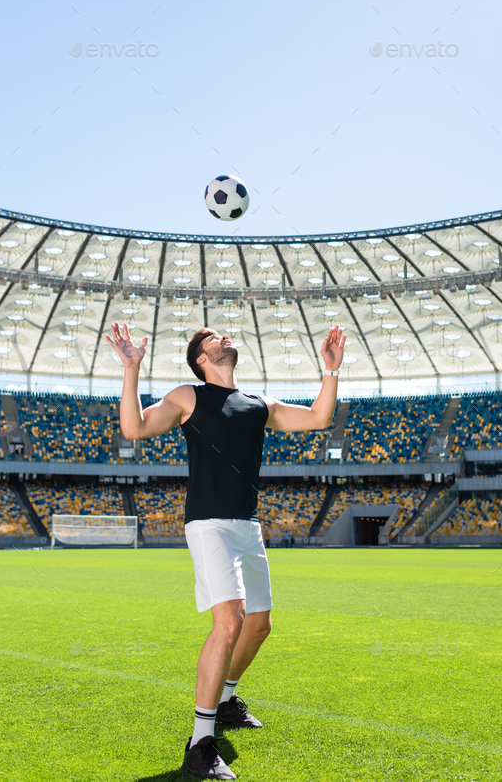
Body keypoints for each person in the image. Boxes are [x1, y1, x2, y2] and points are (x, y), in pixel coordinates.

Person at [106, 321, 346, 779]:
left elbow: (318, 417)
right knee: (230, 620)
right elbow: (133, 428)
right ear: (201, 357)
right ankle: (199, 743)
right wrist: (131, 368)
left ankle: (226, 699)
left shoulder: (259, 405)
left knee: (259, 626)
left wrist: (330, 372)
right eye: (215, 336)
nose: (226, 336)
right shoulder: (187, 397)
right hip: (208, 523)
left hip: (247, 525)